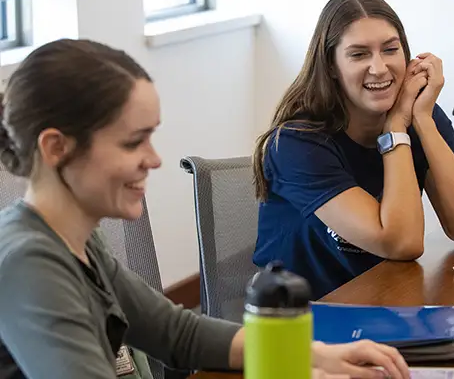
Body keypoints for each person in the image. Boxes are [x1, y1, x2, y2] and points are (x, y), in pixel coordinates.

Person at [0, 39, 410, 379]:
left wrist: (311, 355)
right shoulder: (27, 263)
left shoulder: (77, 241)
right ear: (56, 148)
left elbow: (177, 335)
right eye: (132, 142)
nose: (154, 159)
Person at [252, 0, 454, 299]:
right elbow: (401, 243)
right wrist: (395, 128)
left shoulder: (421, 116)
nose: (379, 67)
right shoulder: (297, 144)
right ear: (330, 66)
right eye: (359, 54)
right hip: (307, 320)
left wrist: (421, 119)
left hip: (383, 297)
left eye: (390, 49)